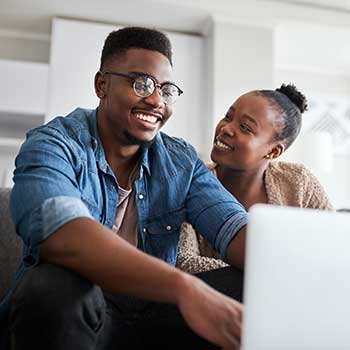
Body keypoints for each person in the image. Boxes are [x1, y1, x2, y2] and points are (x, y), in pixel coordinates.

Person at [0, 27, 248, 350]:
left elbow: (233, 227)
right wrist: (182, 286)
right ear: (102, 85)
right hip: (84, 317)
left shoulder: (181, 160)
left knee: (250, 283)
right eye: (141, 83)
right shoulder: (54, 143)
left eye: (166, 89)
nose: (157, 100)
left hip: (152, 319)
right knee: (53, 286)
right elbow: (62, 237)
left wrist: (295, 265)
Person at [176, 84, 333, 274]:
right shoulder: (189, 183)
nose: (226, 128)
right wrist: (275, 273)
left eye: (244, 127)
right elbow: (184, 263)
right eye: (228, 116)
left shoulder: (299, 182)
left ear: (273, 151)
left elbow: (333, 246)